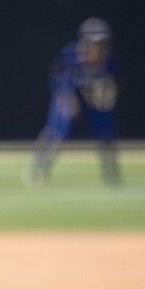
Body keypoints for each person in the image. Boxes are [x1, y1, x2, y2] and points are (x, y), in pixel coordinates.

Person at [28, 17, 123, 187]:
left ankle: (111, 172)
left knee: (106, 132)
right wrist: (67, 101)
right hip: (69, 97)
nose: (100, 47)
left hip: (94, 101)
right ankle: (40, 165)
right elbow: (58, 81)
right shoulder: (70, 56)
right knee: (56, 132)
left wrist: (107, 95)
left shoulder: (110, 60)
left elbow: (116, 82)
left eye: (103, 43)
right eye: (96, 43)